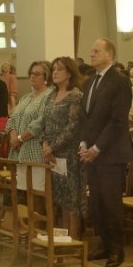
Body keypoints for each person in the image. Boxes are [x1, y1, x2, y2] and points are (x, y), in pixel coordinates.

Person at [79, 38, 133, 267]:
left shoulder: (120, 81)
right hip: (91, 152)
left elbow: (117, 121)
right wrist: (83, 143)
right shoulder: (90, 81)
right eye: (91, 50)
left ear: (109, 55)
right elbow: (85, 117)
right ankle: (103, 243)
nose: (91, 54)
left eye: (96, 50)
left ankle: (117, 249)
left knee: (111, 203)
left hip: (110, 154)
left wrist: (96, 148)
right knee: (97, 203)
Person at [41, 57, 85, 238]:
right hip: (51, 154)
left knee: (71, 200)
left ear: (69, 73)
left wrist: (53, 147)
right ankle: (61, 240)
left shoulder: (75, 95)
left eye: (59, 69)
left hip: (69, 155)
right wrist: (45, 145)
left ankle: (73, 241)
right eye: (53, 69)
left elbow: (73, 127)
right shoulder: (51, 94)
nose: (55, 73)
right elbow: (44, 122)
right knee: (57, 200)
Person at [6, 60, 53, 190]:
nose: (32, 76)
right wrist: (13, 137)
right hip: (19, 152)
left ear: (46, 76)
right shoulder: (26, 97)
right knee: (22, 191)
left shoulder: (49, 96)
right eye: (31, 73)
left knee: (36, 192)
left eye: (37, 74)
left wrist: (20, 138)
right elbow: (12, 119)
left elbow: (40, 123)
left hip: (35, 152)